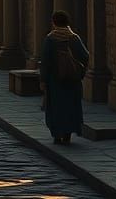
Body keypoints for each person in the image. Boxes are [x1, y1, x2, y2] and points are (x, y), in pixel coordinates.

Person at [39, 10, 90, 145]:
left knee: (56, 107)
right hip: (72, 80)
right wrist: (79, 71)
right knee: (71, 106)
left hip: (55, 80)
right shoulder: (74, 37)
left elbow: (45, 61)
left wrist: (43, 80)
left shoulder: (50, 39)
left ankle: (57, 134)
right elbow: (85, 56)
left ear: (54, 22)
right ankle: (68, 134)